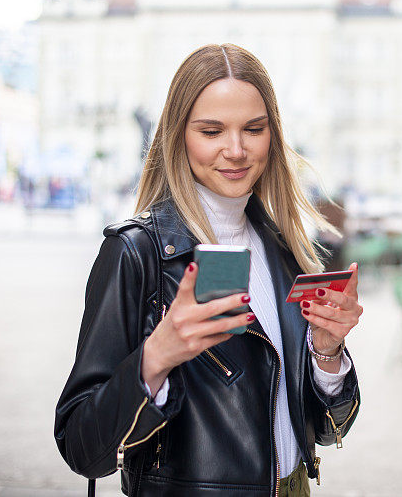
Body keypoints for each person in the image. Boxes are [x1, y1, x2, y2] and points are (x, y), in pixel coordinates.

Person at [54, 43, 362, 497]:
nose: (235, 150)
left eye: (253, 129)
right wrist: (156, 357)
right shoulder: (137, 254)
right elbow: (82, 447)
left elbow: (324, 430)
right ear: (179, 135)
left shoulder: (284, 250)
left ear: (272, 134)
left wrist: (327, 353)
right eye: (212, 131)